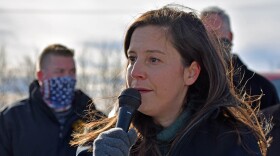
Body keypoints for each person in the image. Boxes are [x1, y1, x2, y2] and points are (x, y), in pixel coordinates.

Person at [71, 5, 268, 156]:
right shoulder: (99, 145)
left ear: (191, 73)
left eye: (153, 59)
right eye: (132, 58)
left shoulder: (234, 144)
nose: (135, 71)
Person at [0, 44, 104, 156]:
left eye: (72, 71)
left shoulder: (94, 120)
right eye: (60, 71)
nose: (68, 77)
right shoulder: (11, 119)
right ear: (41, 76)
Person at [200, 6, 279, 110]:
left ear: (230, 36)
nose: (213, 44)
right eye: (206, 37)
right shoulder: (189, 85)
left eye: (217, 36)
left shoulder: (262, 89)